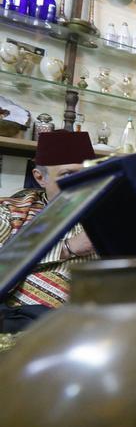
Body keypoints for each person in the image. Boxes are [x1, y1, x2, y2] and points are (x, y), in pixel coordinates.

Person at [0, 131, 98, 333]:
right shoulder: (11, 213)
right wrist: (67, 248)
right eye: (68, 175)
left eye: (86, 174)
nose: (80, 184)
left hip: (99, 330)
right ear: (40, 178)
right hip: (25, 336)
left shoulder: (111, 214)